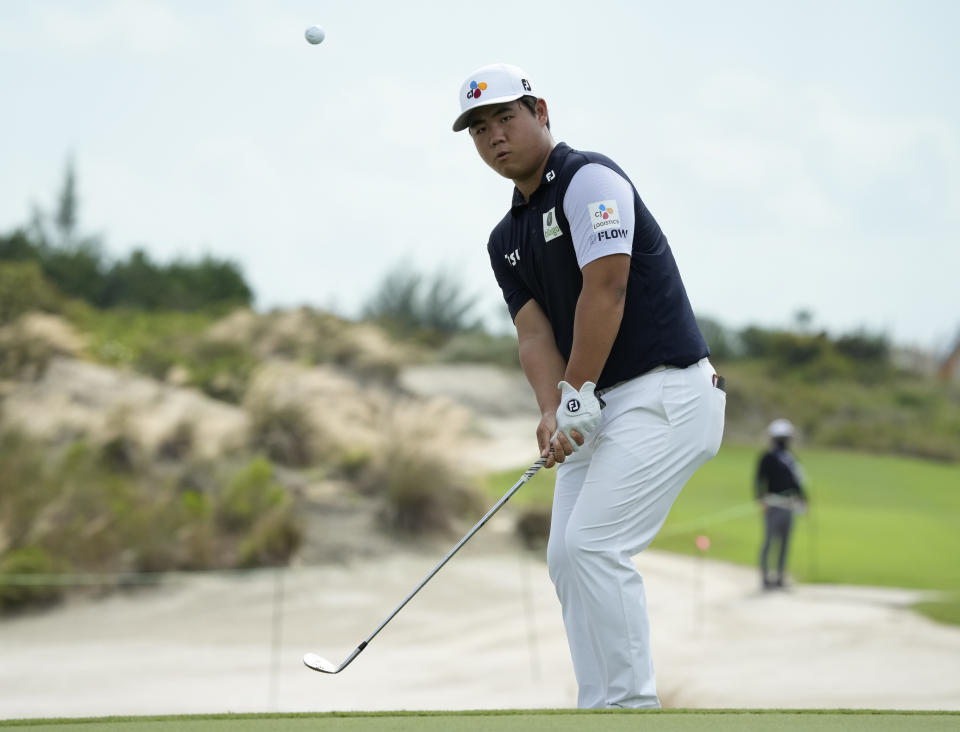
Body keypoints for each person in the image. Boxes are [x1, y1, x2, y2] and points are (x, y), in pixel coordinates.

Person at [453, 63, 726, 709]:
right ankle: (600, 708)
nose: (495, 137)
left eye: (505, 118)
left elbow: (609, 289)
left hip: (669, 392)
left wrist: (576, 395)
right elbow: (534, 336)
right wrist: (553, 408)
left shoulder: (590, 179)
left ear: (540, 110)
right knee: (567, 558)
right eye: (479, 128)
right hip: (600, 402)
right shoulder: (505, 239)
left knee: (595, 545)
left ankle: (630, 709)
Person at [755, 418, 808, 590]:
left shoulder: (791, 459)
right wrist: (760, 500)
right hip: (773, 504)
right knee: (769, 542)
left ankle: (779, 577)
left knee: (785, 543)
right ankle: (765, 578)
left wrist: (803, 501)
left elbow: (797, 484)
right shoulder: (768, 457)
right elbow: (759, 480)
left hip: (789, 506)